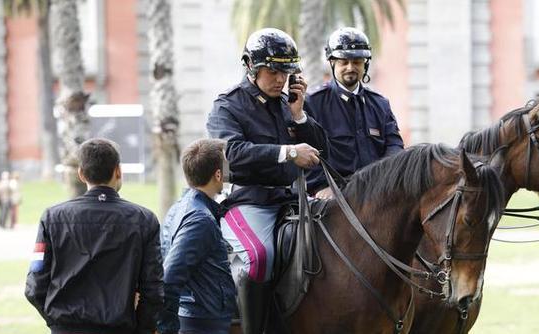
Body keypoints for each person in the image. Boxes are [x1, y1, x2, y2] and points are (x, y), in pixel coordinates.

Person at [206, 28, 328, 334]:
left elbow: (320, 149)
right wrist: (287, 153)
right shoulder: (227, 106)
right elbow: (232, 152)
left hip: (293, 198)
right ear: (251, 66)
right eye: (272, 70)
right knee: (259, 257)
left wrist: (299, 116)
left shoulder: (289, 103)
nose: (279, 79)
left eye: (285, 72)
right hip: (249, 201)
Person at [24, 138, 163, 334]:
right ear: (118, 171)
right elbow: (153, 289)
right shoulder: (144, 220)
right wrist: (141, 328)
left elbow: (35, 285)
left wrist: (58, 322)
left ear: (81, 174)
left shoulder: (52, 217)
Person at [305, 27, 404, 199]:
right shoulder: (313, 102)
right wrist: (321, 186)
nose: (350, 67)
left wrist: (386, 179)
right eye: (344, 62)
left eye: (357, 62)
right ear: (332, 63)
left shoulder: (380, 104)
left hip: (377, 193)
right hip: (332, 196)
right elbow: (307, 150)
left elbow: (394, 146)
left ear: (365, 64)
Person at [157, 139, 236, 334]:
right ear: (218, 175)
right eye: (227, 168)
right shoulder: (200, 220)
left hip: (199, 316)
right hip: (202, 322)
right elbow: (170, 278)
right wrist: (167, 329)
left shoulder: (179, 208)